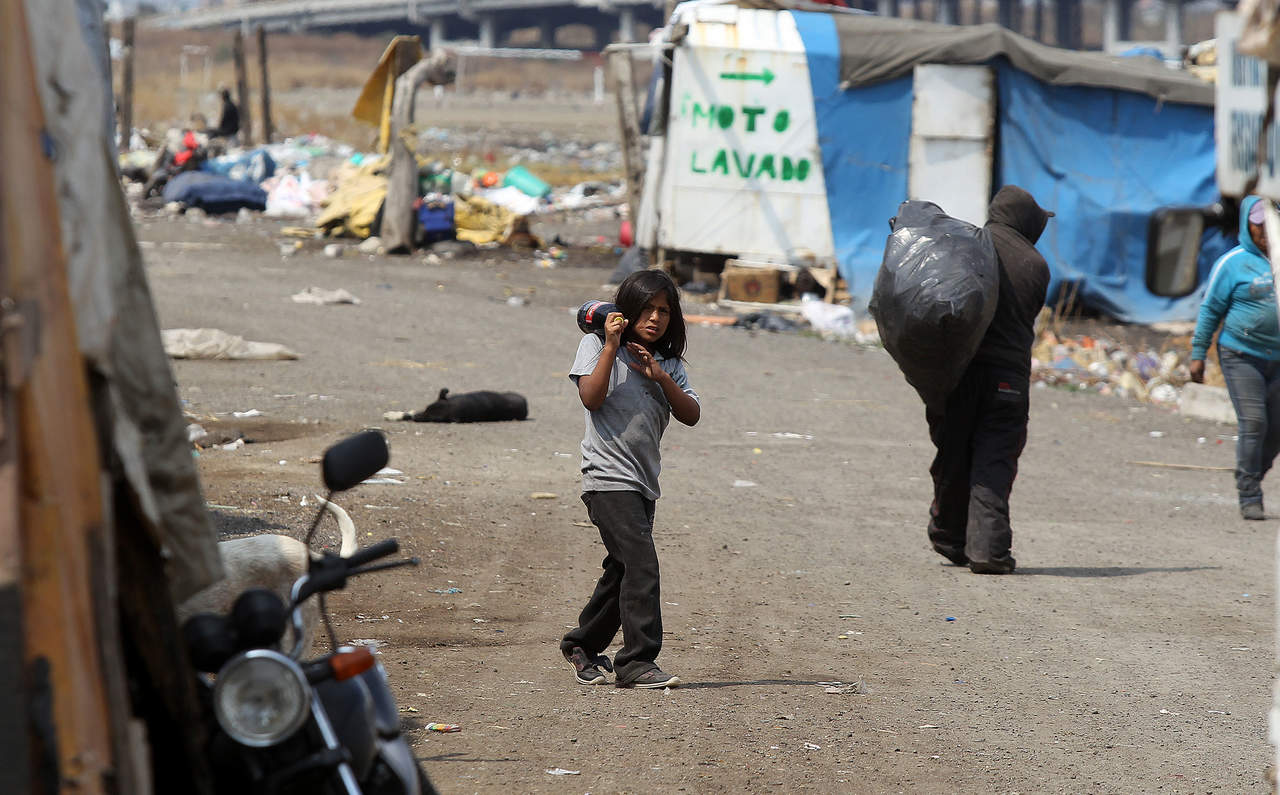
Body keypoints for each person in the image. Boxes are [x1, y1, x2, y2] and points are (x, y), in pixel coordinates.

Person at [560, 269, 701, 688]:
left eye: (664, 311)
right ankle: (637, 661)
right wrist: (611, 344)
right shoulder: (597, 346)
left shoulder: (669, 364)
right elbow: (591, 396)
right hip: (606, 478)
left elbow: (691, 414)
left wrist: (659, 376)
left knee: (622, 568)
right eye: (647, 308)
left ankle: (581, 645)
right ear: (626, 309)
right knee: (642, 564)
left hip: (643, 483)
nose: (655, 318)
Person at [926, 185, 1053, 574]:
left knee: (953, 455)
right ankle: (988, 550)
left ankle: (950, 538)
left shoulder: (963, 249)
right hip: (1006, 383)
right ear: (1025, 221)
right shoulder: (1035, 264)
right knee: (993, 461)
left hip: (956, 376)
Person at [1189, 196, 1280, 520]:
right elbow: (1211, 309)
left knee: (1276, 430)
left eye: (1270, 222)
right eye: (1259, 224)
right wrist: (1198, 354)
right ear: (1246, 224)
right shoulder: (1233, 263)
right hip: (1242, 355)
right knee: (1254, 421)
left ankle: (1253, 473)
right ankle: (1249, 491)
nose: (1265, 231)